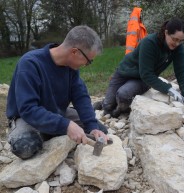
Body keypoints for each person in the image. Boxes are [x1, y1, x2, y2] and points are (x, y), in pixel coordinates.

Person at [6, 25, 109, 159]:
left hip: (57, 112)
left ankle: (51, 131)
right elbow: (28, 109)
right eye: (88, 61)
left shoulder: (71, 68)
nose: (86, 64)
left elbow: (80, 97)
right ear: (74, 52)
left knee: (100, 132)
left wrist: (92, 126)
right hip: (27, 117)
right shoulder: (30, 64)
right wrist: (65, 125)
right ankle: (48, 132)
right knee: (25, 146)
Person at [101, 18, 184, 118]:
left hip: (142, 79)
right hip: (124, 73)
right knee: (107, 107)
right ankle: (105, 103)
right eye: (174, 39)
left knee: (123, 95)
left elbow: (182, 72)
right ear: (166, 32)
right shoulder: (150, 42)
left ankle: (122, 110)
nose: (177, 43)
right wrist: (168, 88)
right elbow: (146, 73)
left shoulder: (178, 47)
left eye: (180, 41)